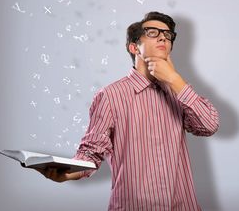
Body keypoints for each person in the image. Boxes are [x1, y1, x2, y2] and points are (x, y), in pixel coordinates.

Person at [35, 11, 219, 210]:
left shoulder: (179, 90)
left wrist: (175, 79)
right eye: (152, 32)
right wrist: (70, 172)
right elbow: (92, 151)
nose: (162, 37)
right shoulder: (110, 95)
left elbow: (208, 126)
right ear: (134, 48)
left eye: (167, 35)